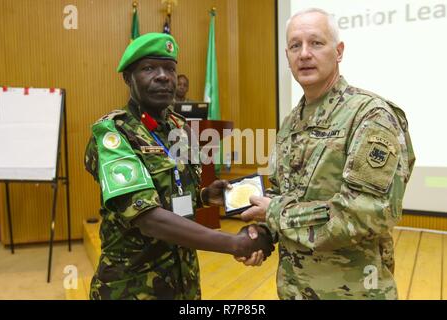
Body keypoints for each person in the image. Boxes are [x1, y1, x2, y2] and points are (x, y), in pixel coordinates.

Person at [238, 8, 415, 300]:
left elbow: (364, 214)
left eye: (316, 43)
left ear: (339, 51)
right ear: (287, 56)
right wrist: (263, 234)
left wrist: (274, 212)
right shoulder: (291, 122)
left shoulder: (370, 116)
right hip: (294, 289)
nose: (304, 54)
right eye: (295, 46)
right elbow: (283, 193)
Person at [84, 32, 274, 300]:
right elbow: (147, 217)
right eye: (149, 68)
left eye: (170, 69)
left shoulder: (180, 128)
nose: (163, 76)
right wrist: (234, 243)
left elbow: (174, 195)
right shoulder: (113, 135)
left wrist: (205, 196)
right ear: (128, 78)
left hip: (183, 280)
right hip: (133, 286)